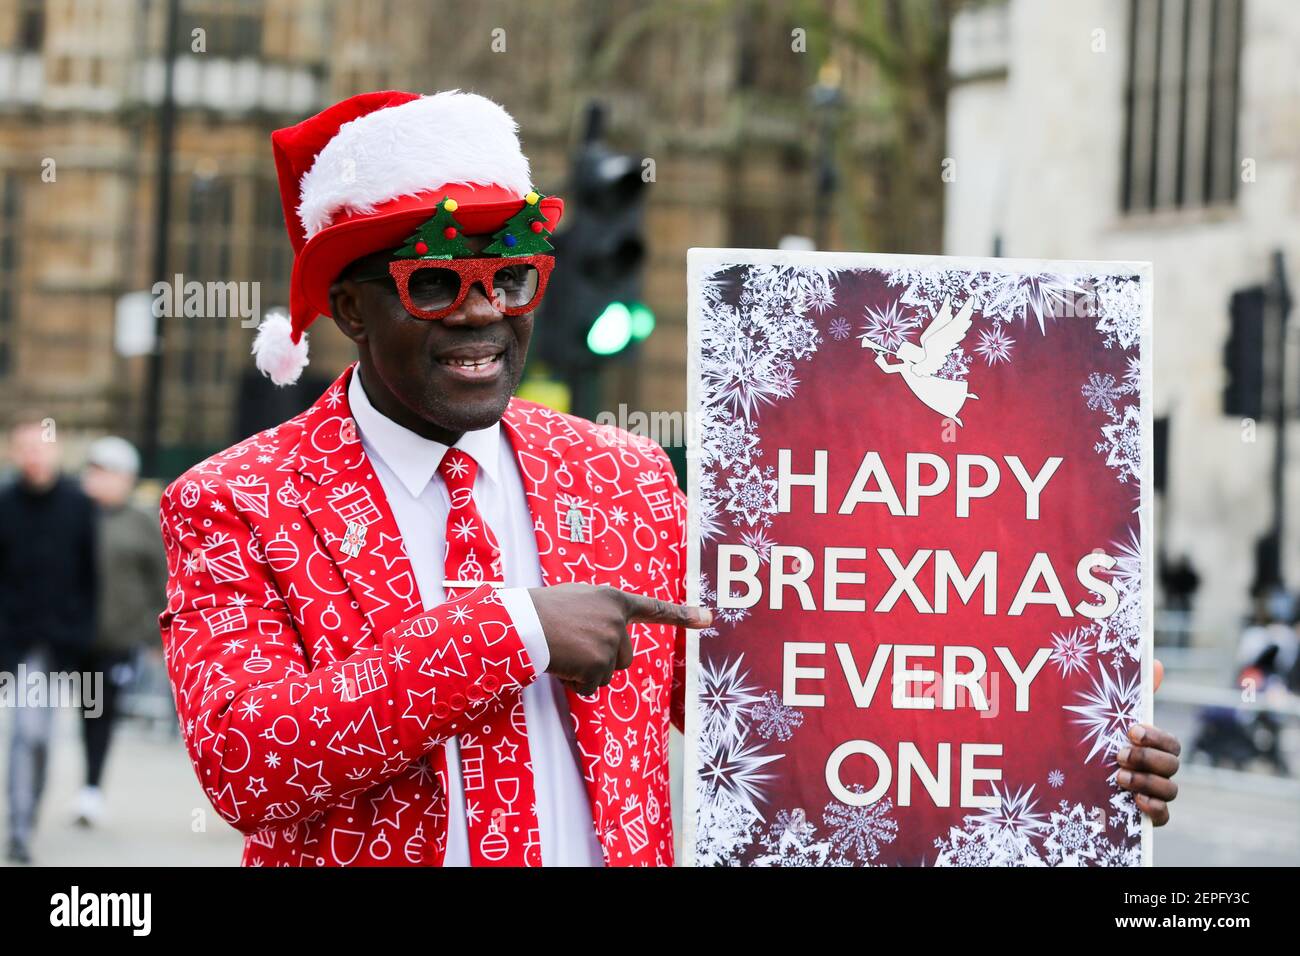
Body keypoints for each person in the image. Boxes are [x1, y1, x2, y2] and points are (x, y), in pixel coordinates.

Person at [157, 90, 1181, 867]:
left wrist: (1069, 726)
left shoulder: (627, 476)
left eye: (510, 279)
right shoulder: (234, 501)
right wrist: (512, 631)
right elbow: (252, 760)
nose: (481, 316)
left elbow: (798, 694)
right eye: (436, 284)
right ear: (349, 306)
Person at [0, 413, 97, 863]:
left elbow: (89, 576)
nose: (32, 458)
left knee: (41, 738)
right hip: (15, 642)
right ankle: (19, 824)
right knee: (26, 732)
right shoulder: (4, 503)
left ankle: (28, 811)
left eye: (39, 448)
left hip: (58, 642)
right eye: (25, 449)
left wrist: (81, 633)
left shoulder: (78, 505)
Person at [76, 436, 167, 827]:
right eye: (95, 472)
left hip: (116, 638)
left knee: (99, 712)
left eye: (109, 474)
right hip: (68, 634)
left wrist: (154, 635)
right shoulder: (73, 516)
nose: (99, 481)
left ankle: (91, 788)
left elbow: (160, 580)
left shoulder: (141, 522)